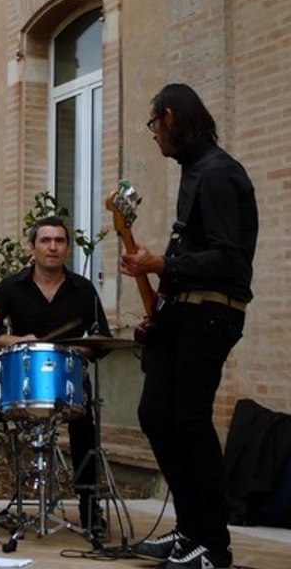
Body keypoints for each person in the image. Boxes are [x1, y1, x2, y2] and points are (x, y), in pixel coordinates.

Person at [120, 83, 257, 569]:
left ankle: (213, 547)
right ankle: (189, 530)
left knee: (190, 419)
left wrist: (158, 263)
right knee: (157, 413)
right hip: (187, 311)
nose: (154, 136)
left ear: (173, 117)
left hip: (211, 312)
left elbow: (225, 258)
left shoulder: (218, 174)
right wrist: (160, 301)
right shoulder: (196, 172)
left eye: (155, 124)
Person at [0, 216, 111, 536]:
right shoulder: (10, 287)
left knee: (84, 431)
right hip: (23, 381)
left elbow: (101, 336)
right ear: (32, 248)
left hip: (69, 382)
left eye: (59, 241)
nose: (53, 247)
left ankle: (91, 507)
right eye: (46, 241)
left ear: (66, 248)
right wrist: (16, 341)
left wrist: (85, 349)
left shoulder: (83, 289)